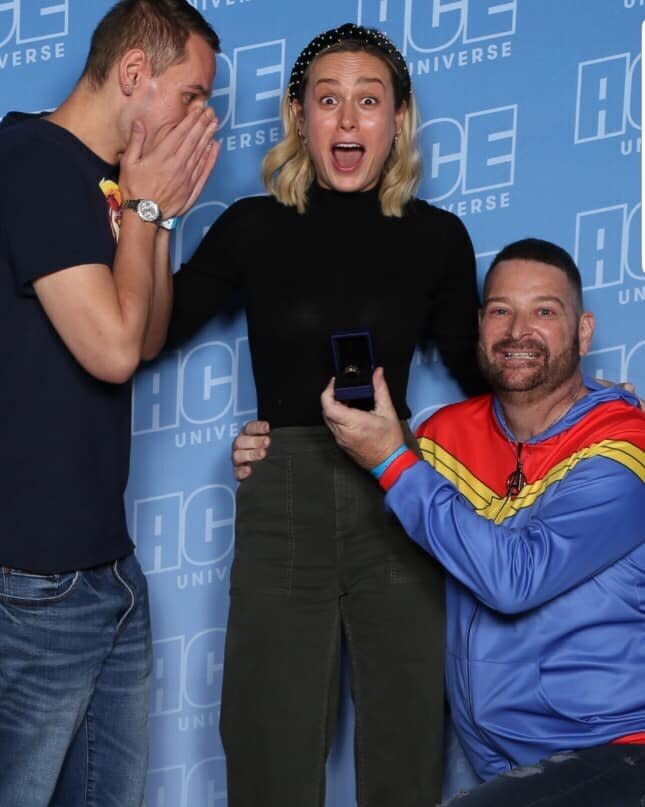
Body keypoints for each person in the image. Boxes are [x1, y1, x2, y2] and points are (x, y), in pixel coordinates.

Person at [167, 21, 487, 807]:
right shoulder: (249, 225)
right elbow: (143, 334)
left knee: (409, 739)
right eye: (328, 101)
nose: (347, 122)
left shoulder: (439, 238)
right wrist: (143, 212)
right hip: (284, 492)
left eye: (368, 102)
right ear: (297, 116)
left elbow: (487, 383)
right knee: (267, 739)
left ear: (399, 119)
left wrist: (558, 367)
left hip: (398, 492)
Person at [317, 238, 645, 806]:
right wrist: (264, 448)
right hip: (504, 764)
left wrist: (393, 461)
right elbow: (382, 514)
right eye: (500, 310)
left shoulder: (624, 444)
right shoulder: (442, 435)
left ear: (584, 332)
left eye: (545, 311)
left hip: (615, 747)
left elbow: (513, 579)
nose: (518, 331)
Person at [0, 1, 221, 804]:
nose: (203, 120)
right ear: (135, 73)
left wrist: (155, 222)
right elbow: (113, 348)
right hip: (31, 581)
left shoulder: (111, 182)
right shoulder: (33, 160)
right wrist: (147, 210)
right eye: (192, 95)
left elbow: (151, 334)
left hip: (108, 569)